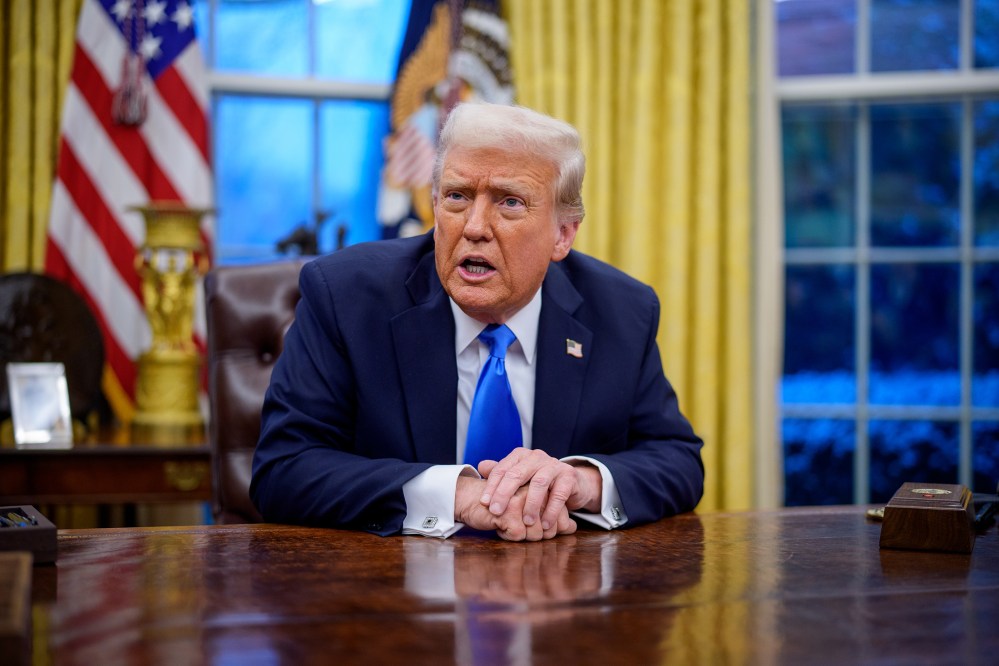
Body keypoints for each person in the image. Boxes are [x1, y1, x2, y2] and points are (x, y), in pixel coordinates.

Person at [251, 102, 704, 541]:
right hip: (390, 597)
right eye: (457, 197)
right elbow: (284, 468)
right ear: (433, 203)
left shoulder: (621, 311)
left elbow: (676, 460)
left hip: (558, 594)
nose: (474, 226)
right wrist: (458, 496)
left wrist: (578, 483)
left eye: (509, 202)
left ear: (562, 233)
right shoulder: (345, 296)